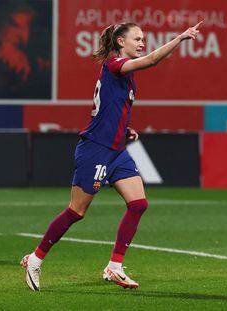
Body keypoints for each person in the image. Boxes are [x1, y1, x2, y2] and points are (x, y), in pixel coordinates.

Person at [21, 21, 202, 291]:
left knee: (138, 203)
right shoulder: (115, 64)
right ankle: (34, 259)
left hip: (116, 150)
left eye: (143, 39)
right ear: (120, 42)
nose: (142, 43)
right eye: (137, 38)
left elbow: (108, 108)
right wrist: (179, 39)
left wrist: (124, 129)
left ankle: (114, 267)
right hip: (95, 148)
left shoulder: (126, 74)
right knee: (76, 211)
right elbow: (152, 60)